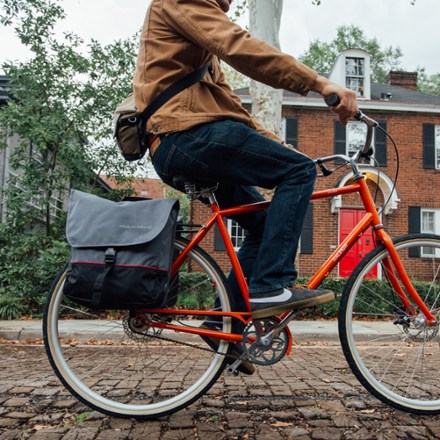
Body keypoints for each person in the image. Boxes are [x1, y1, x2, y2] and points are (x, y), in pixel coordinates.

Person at [134, 0, 359, 321]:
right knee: (298, 172)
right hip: (182, 136)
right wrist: (318, 82)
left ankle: (223, 321)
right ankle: (269, 285)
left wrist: (288, 152)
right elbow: (239, 46)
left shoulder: (200, 46)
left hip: (183, 139)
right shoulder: (181, 2)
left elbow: (235, 112)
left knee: (263, 222)